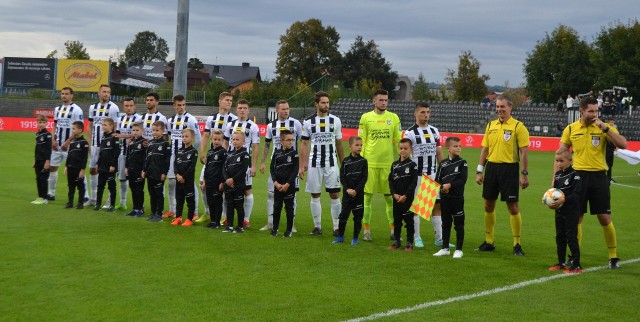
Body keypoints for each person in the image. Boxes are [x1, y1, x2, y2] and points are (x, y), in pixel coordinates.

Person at [557, 97, 627, 269]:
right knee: (576, 218)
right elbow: (560, 153)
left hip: (598, 178)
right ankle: (575, 256)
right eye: (591, 111)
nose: (594, 114)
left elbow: (623, 144)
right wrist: (556, 179)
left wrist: (606, 129)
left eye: (596, 111)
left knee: (604, 217)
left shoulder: (604, 128)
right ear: (581, 111)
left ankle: (613, 256)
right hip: (578, 177)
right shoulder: (571, 129)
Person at [475, 95, 529, 256]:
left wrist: (524, 174)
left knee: (512, 207)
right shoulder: (490, 125)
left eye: (502, 107)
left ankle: (517, 244)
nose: (499, 109)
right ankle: (489, 241)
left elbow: (524, 152)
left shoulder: (518, 127)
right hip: (491, 168)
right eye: (497, 107)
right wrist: (479, 170)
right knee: (488, 205)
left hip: (509, 169)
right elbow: (485, 149)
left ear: (510, 107)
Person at [358, 89, 402, 241]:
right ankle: (366, 231)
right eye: (381, 100)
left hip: (388, 165)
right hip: (369, 164)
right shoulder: (365, 118)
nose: (384, 102)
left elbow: (398, 140)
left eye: (386, 100)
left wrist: (403, 160)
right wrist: (360, 162)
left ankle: (393, 231)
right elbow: (361, 140)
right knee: (367, 199)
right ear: (374, 101)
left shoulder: (394, 118)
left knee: (390, 199)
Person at [298, 91, 344, 235]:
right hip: (314, 164)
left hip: (331, 164)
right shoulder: (308, 122)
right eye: (323, 103)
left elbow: (339, 144)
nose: (326, 105)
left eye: (327, 103)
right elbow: (304, 144)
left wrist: (344, 164)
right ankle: (317, 226)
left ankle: (337, 227)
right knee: (315, 195)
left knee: (335, 194)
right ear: (316, 104)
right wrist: (301, 165)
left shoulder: (335, 121)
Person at [403, 103, 445, 248]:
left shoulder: (434, 131)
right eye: (422, 112)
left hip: (432, 174)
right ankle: (417, 237)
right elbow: (406, 153)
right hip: (417, 175)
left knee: (436, 205)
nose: (425, 115)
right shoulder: (409, 133)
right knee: (417, 207)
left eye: (427, 112)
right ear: (415, 114)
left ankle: (439, 238)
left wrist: (444, 168)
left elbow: (438, 152)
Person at [259, 100, 303, 232]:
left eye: (287, 108)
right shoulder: (271, 126)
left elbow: (304, 144)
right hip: (276, 165)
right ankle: (271, 223)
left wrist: (302, 164)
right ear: (277, 110)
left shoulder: (296, 123)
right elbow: (267, 145)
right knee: (271, 194)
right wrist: (262, 162)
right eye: (283, 109)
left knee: (292, 195)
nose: (286, 111)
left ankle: (292, 224)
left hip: (291, 165)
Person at [197, 91, 237, 224]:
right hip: (212, 157)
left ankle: (223, 216)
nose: (229, 102)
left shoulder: (234, 119)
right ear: (219, 101)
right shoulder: (211, 118)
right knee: (203, 183)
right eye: (226, 100)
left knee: (223, 187)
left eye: (231, 100)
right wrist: (202, 152)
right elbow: (205, 136)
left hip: (226, 159)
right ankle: (208, 212)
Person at [163, 95, 202, 219]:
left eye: (183, 105)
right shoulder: (170, 121)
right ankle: (172, 210)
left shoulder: (190, 119)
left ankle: (194, 211)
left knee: (189, 183)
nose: (181, 107)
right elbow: (169, 137)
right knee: (172, 182)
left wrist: (190, 153)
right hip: (173, 156)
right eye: (179, 105)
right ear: (174, 105)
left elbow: (198, 139)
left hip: (186, 157)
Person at [223, 99, 260, 228]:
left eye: (245, 108)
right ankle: (227, 218)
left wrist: (253, 165)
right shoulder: (230, 125)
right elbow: (225, 142)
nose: (242, 110)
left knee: (247, 190)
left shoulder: (253, 126)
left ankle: (246, 219)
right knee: (227, 189)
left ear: (248, 110)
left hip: (244, 163)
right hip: (230, 162)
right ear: (236, 110)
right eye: (240, 108)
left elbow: (255, 146)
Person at [548, 150, 582, 274]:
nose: (559, 164)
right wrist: (549, 201)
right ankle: (561, 263)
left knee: (571, 237)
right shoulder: (558, 176)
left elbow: (577, 195)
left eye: (561, 161)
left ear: (570, 160)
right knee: (560, 237)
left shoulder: (575, 175)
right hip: (559, 211)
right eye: (557, 161)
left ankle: (577, 265)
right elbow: (554, 192)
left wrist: (564, 199)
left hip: (571, 212)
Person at [86, 84, 120, 208]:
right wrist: (89, 143)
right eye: (104, 91)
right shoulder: (92, 107)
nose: (106, 94)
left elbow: (116, 127)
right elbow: (90, 126)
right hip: (95, 144)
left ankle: (110, 200)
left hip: (108, 146)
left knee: (109, 172)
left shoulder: (113, 108)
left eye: (108, 92)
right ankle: (94, 198)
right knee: (93, 170)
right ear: (98, 93)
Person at [433, 137, 468, 258]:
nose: (458, 148)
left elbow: (462, 180)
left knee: (459, 224)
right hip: (444, 198)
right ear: (448, 148)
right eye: (455, 146)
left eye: (459, 146)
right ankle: (445, 248)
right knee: (446, 223)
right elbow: (437, 179)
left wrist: (450, 185)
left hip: (457, 198)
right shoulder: (443, 164)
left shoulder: (463, 163)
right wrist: (441, 187)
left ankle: (459, 249)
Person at [47, 87, 84, 201]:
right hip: (57, 145)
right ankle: (51, 193)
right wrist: (53, 140)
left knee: (76, 169)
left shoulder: (77, 110)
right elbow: (55, 125)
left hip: (71, 146)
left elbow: (79, 128)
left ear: (72, 95)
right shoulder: (57, 109)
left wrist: (68, 142)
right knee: (53, 167)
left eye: (67, 94)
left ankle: (85, 195)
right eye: (62, 93)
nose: (64, 96)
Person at [333, 136, 368, 245]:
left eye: (361, 145)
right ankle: (340, 236)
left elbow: (364, 178)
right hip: (347, 195)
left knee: (357, 218)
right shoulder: (345, 162)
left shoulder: (363, 161)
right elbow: (342, 177)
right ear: (350, 146)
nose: (359, 147)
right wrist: (348, 189)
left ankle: (355, 238)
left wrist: (356, 191)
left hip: (358, 195)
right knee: (343, 216)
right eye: (357, 145)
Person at [388, 138, 418, 251]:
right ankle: (396, 241)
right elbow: (390, 181)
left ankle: (409, 242)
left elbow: (413, 183)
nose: (403, 151)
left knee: (409, 221)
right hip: (396, 198)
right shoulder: (394, 165)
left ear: (410, 150)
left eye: (405, 148)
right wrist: (394, 194)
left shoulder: (412, 165)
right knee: (397, 220)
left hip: (407, 199)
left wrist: (405, 196)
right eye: (401, 148)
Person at [269, 130, 299, 237]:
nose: (291, 142)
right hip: (278, 185)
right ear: (282, 141)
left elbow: (295, 171)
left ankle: (289, 230)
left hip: (289, 186)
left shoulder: (294, 154)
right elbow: (272, 168)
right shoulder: (277, 153)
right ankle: (275, 229)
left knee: (289, 208)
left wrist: (287, 184)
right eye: (288, 140)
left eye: (292, 140)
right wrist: (276, 183)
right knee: (277, 207)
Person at [114, 98, 142, 211]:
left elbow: (137, 135)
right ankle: (123, 202)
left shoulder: (139, 119)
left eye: (131, 105)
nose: (128, 108)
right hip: (123, 152)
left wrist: (124, 137)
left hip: (136, 154)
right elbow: (117, 135)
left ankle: (140, 204)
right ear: (123, 107)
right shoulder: (121, 119)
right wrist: (124, 137)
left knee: (136, 179)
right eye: (126, 105)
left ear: (134, 106)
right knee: (122, 178)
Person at [141, 121, 171, 223]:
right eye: (153, 130)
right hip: (150, 173)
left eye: (157, 130)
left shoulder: (165, 144)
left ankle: (159, 214)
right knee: (152, 194)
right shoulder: (151, 143)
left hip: (159, 174)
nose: (155, 132)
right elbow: (147, 158)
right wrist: (144, 170)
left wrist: (164, 173)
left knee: (158, 194)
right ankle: (153, 213)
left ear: (162, 131)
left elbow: (167, 161)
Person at [222, 131, 251, 233]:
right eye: (233, 139)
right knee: (229, 205)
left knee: (239, 206)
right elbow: (224, 168)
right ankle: (229, 226)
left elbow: (243, 171)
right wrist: (227, 180)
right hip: (228, 185)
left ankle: (240, 227)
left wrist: (233, 179)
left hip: (238, 184)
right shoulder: (229, 154)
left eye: (237, 139)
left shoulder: (245, 154)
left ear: (243, 141)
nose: (235, 141)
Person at [170, 128, 199, 227]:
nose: (184, 138)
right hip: (179, 180)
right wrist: (177, 174)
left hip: (188, 181)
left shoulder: (193, 151)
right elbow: (175, 165)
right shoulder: (180, 151)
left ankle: (189, 219)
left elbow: (191, 167)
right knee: (179, 200)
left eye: (186, 137)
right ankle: (178, 217)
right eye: (183, 137)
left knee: (190, 201)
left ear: (192, 138)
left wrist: (183, 177)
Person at [93, 118, 120, 213]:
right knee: (100, 186)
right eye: (102, 125)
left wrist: (113, 165)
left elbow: (116, 152)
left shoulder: (114, 137)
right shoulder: (103, 137)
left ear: (112, 126)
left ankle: (112, 205)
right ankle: (98, 204)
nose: (103, 127)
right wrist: (97, 164)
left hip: (110, 167)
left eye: (105, 125)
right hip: (102, 166)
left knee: (111, 186)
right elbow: (101, 152)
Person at [202, 129, 227, 228]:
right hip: (209, 181)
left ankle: (217, 222)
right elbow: (207, 167)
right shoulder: (210, 152)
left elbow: (224, 168)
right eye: (214, 139)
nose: (216, 141)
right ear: (211, 139)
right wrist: (204, 180)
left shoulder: (223, 152)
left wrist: (222, 182)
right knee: (210, 201)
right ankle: (212, 221)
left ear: (222, 140)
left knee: (217, 201)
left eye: (218, 140)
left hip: (217, 181)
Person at [62, 121, 89, 209]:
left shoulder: (84, 142)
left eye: (74, 129)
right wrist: (66, 166)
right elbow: (69, 155)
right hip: (70, 167)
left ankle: (80, 203)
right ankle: (70, 202)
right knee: (71, 186)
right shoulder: (73, 142)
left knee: (80, 186)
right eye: (72, 128)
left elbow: (85, 158)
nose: (72, 130)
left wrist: (82, 169)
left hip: (78, 168)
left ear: (80, 130)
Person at [124, 122, 146, 217]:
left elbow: (146, 157)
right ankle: (135, 208)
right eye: (134, 130)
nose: (135, 132)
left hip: (139, 170)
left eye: (137, 130)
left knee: (139, 190)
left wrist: (144, 170)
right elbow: (128, 155)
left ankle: (140, 209)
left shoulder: (144, 142)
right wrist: (126, 167)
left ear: (142, 131)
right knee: (133, 189)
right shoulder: (131, 142)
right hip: (131, 169)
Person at [32, 114, 52, 204]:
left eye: (43, 122)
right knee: (38, 179)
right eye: (40, 122)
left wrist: (47, 161)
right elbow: (37, 149)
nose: (41, 124)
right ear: (37, 123)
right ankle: (40, 197)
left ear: (46, 123)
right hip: (38, 160)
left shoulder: (48, 135)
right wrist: (35, 160)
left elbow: (48, 149)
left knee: (43, 179)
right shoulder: (37, 134)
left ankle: (44, 198)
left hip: (44, 160)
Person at [605, 119, 617, 183]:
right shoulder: (607, 128)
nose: (612, 123)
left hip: (611, 149)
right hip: (607, 149)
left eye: (613, 122)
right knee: (608, 164)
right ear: (608, 122)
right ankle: (607, 178)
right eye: (611, 122)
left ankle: (609, 177)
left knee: (610, 164)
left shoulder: (612, 129)